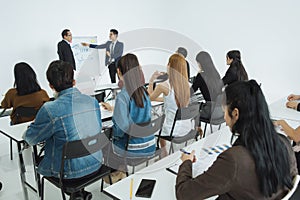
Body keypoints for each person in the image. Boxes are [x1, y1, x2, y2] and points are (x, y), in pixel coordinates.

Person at [176, 80, 297, 200]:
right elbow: (292, 180)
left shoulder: (234, 160)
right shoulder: (284, 142)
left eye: (225, 112)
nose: (224, 117)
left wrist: (186, 163)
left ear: (235, 113)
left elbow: (184, 194)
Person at [23, 60, 103, 200]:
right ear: (73, 81)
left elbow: (30, 139)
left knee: (42, 155)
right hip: (96, 163)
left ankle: (76, 194)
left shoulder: (50, 109)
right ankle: (78, 193)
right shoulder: (92, 101)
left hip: (69, 174)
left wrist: (32, 127)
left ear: (51, 86)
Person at [101, 53, 155, 157]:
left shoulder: (122, 96)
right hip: (150, 145)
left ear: (119, 72)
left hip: (132, 148)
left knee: (105, 140)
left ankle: (119, 170)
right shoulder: (144, 92)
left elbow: (121, 129)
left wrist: (110, 132)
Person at [148, 54, 191, 157]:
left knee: (158, 126)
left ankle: (164, 152)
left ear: (170, 66)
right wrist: (161, 99)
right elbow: (172, 99)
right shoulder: (188, 85)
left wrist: (151, 80)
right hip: (186, 127)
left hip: (173, 130)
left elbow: (149, 98)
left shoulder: (163, 86)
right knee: (164, 123)